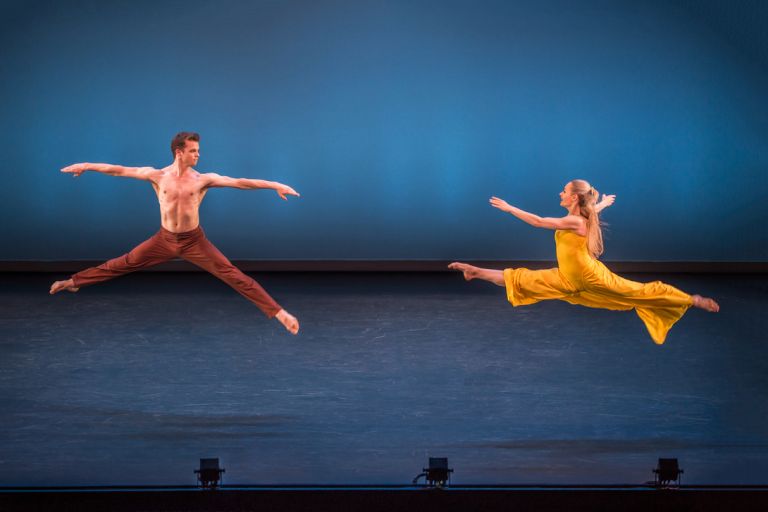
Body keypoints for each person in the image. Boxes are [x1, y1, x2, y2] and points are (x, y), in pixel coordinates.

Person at [50, 132, 300, 335]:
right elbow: (117, 169)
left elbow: (241, 181)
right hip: (164, 240)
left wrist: (275, 185)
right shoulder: (157, 176)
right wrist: (85, 166)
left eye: (198, 151)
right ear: (179, 152)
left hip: (194, 241)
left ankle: (279, 314)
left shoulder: (203, 179)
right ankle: (73, 282)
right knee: (123, 263)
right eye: (193, 151)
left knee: (233, 275)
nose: (198, 155)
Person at [448, 180, 718, 344]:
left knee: (640, 292)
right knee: (522, 278)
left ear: (574, 197)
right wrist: (604, 204)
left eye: (564, 191)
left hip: (591, 277)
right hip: (567, 277)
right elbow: (593, 210)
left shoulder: (575, 220)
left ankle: (691, 300)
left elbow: (539, 221)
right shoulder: (585, 214)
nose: (560, 194)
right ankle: (475, 272)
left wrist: (510, 208)